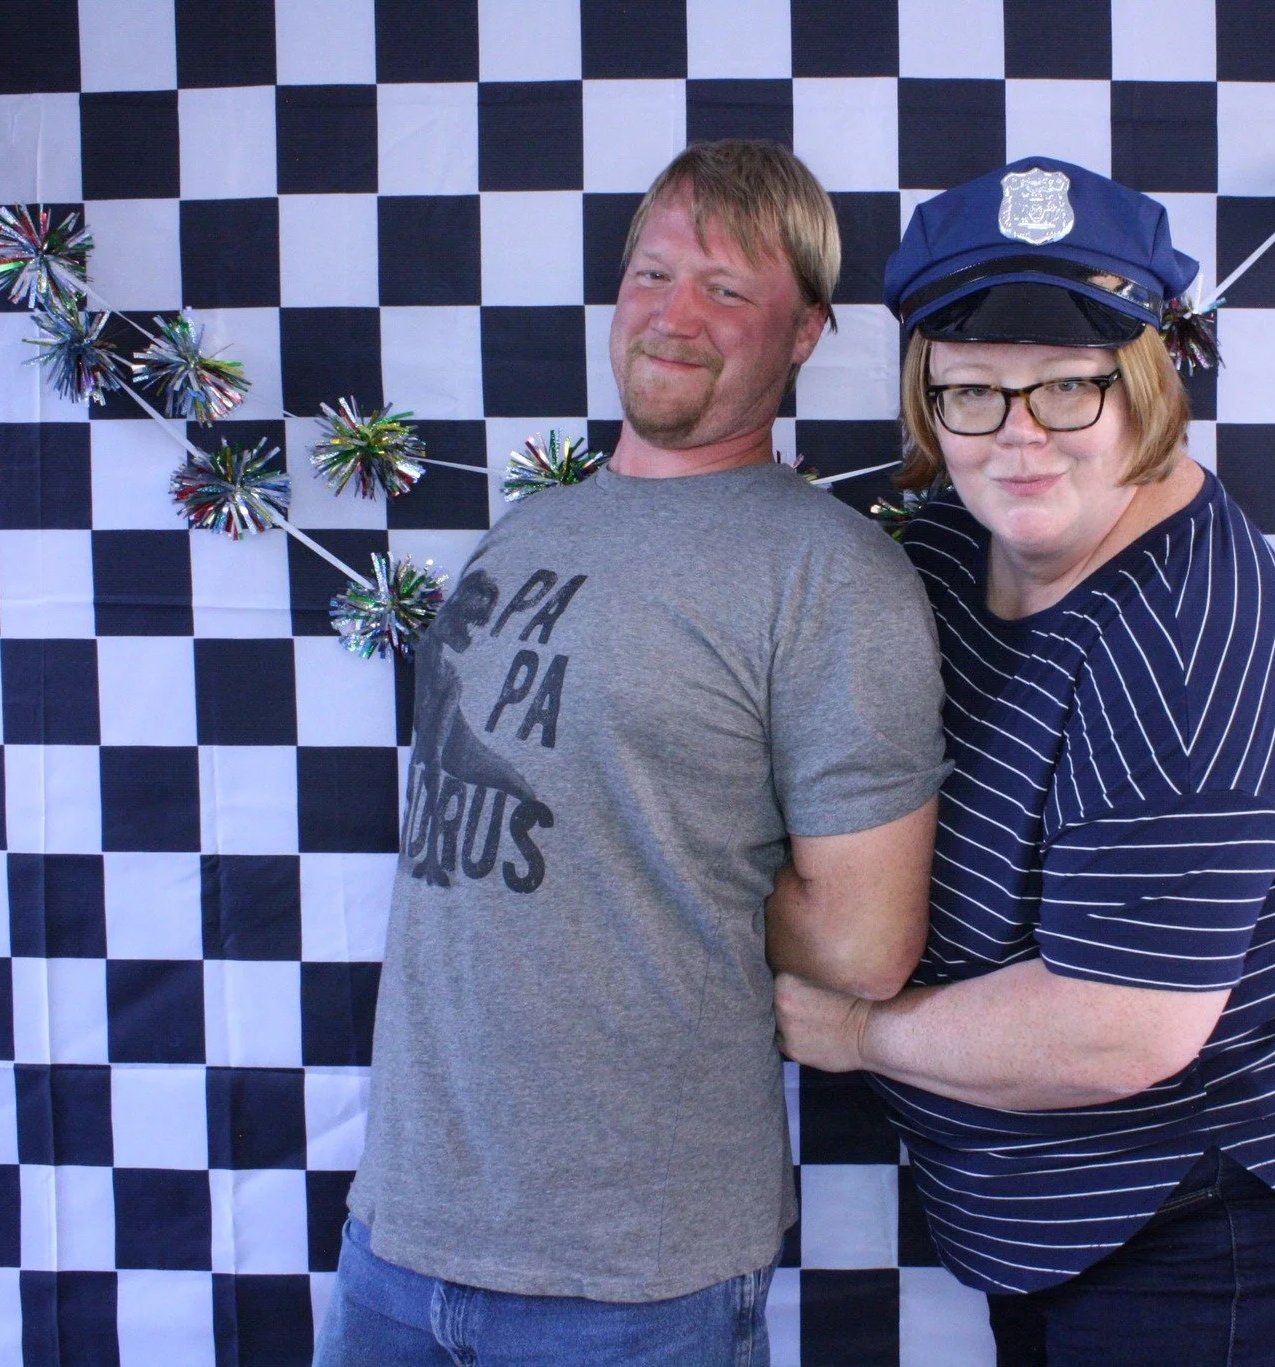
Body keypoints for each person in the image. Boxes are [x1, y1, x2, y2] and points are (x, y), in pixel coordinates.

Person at [773, 157, 1275, 1367]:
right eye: (972, 392)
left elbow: (1117, 1029)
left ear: (1146, 383)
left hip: (1224, 1212)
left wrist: (853, 1032)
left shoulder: (1197, 640)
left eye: (1067, 388)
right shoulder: (932, 555)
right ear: (927, 399)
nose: (1018, 440)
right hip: (1055, 1203)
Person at [316, 140, 949, 1366]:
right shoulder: (526, 530)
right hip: (398, 1233)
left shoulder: (830, 576)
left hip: (634, 1278)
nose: (672, 315)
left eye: (726, 288)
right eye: (653, 273)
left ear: (806, 331)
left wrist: (674, 855)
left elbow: (869, 944)